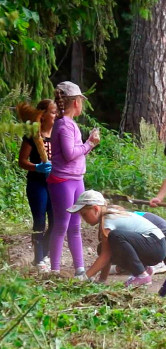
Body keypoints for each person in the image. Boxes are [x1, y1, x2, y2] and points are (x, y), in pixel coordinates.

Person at [67, 190, 166, 286]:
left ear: (96, 209)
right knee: (103, 247)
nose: (83, 218)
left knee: (115, 237)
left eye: (85, 214)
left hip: (156, 245)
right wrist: (101, 280)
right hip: (153, 246)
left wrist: (84, 277)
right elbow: (106, 253)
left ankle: (142, 275)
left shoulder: (108, 220)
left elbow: (106, 256)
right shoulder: (107, 218)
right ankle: (143, 270)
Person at [47, 81, 100, 277]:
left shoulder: (69, 124)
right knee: (62, 224)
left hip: (76, 179)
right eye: (81, 101)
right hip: (62, 181)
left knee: (75, 225)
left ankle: (79, 269)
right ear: (76, 102)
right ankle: (55, 270)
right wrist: (90, 144)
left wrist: (87, 145)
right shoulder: (63, 125)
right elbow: (69, 154)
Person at [17, 100, 57, 273]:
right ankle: (38, 259)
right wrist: (37, 167)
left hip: (55, 184)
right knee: (39, 221)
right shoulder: (32, 136)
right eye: (53, 112)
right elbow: (22, 161)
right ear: (43, 114)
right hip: (37, 184)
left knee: (55, 222)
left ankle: (46, 254)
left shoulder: (58, 134)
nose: (56, 115)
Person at [108, 211, 166, 275]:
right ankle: (151, 265)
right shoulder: (129, 215)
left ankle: (156, 265)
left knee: (121, 242)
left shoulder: (122, 219)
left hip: (165, 243)